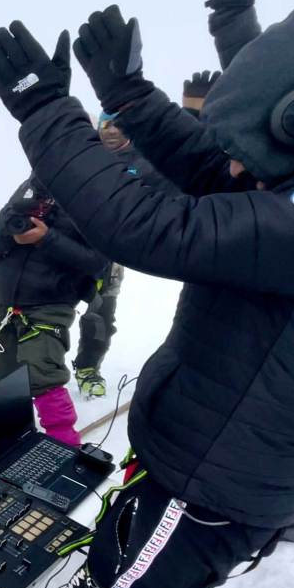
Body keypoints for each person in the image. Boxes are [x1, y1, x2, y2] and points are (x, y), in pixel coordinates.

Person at [0, 7, 294, 588]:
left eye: (251, 154)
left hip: (208, 485)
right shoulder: (278, 197)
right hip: (200, 454)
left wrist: (45, 111)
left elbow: (147, 226)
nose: (236, 172)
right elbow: (210, 168)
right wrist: (125, 92)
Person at [0, 177, 108, 445]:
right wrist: (11, 228)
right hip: (5, 301)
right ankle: (10, 439)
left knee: (43, 375)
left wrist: (46, 238)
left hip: (50, 302)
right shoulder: (27, 189)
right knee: (0, 369)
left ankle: (64, 448)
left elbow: (98, 262)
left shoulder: (92, 193)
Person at [71, 113, 180, 399]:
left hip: (111, 254)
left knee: (100, 314)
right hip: (66, 244)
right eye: (105, 125)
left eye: (119, 124)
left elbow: (171, 199)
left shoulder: (146, 163)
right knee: (49, 306)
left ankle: (87, 368)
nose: (111, 131)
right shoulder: (84, 154)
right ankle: (39, 369)